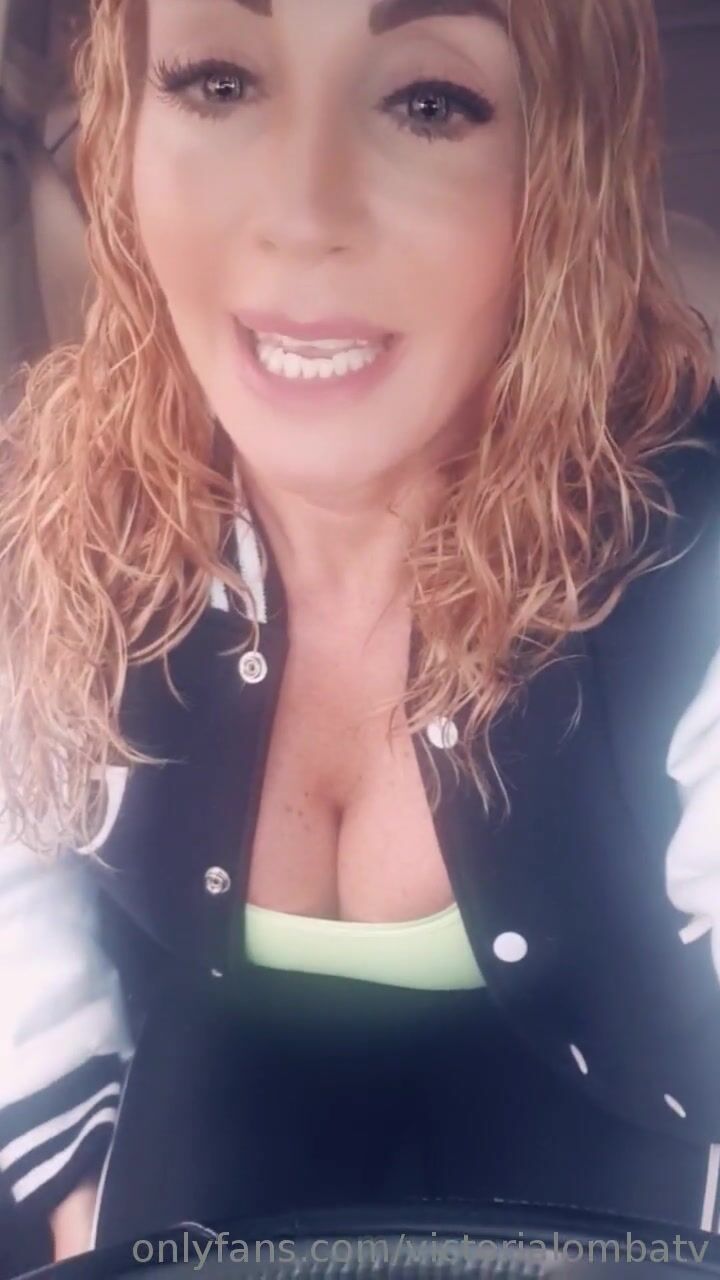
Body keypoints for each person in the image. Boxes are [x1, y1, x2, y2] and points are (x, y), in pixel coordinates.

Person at [1, 0, 720, 1265]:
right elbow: (20, 860)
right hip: (205, 1090)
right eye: (218, 81)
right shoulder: (60, 514)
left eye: (428, 101)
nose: (302, 213)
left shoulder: (686, 554)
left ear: (565, 171)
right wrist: (68, 1177)